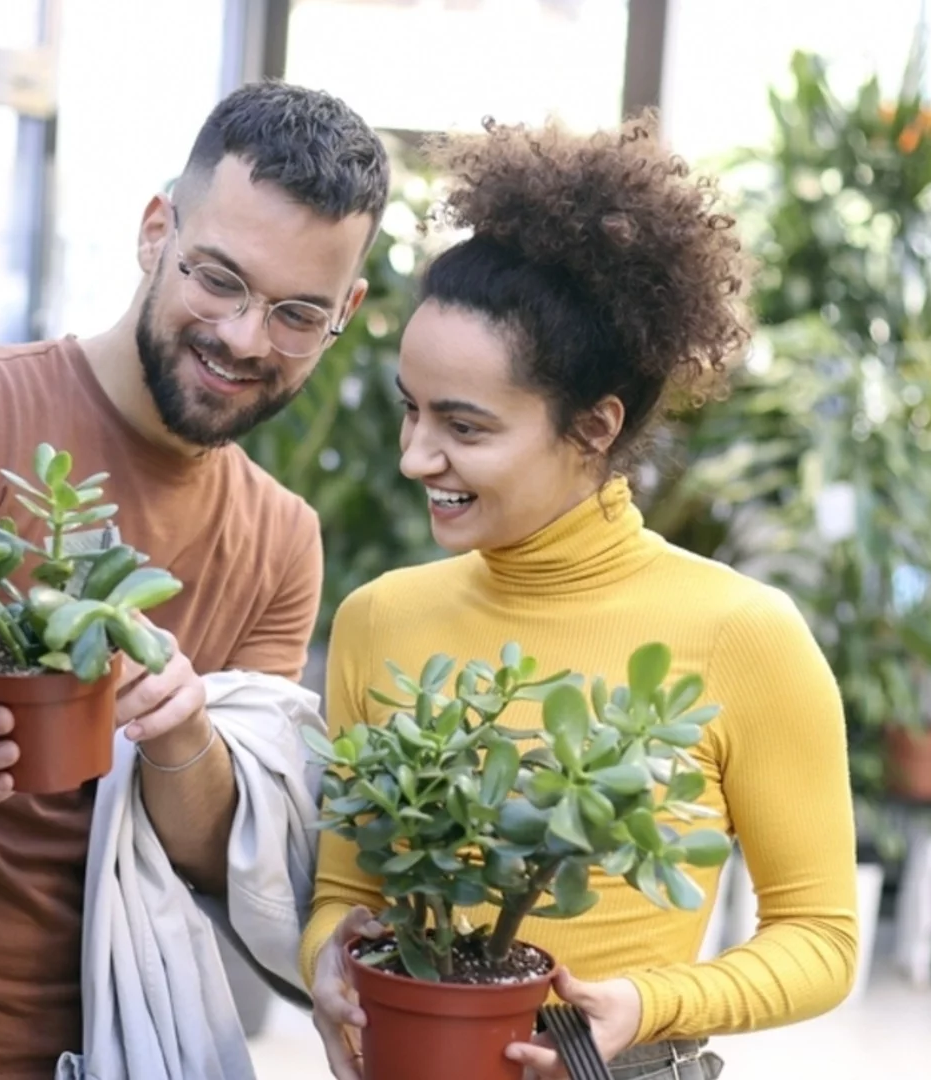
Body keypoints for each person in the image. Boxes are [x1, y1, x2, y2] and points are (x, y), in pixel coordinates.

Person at [0, 80, 389, 1080]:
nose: (243, 336)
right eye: (218, 278)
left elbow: (218, 861)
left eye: (295, 313)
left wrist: (185, 733)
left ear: (345, 313)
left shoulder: (282, 541)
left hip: (133, 1043)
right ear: (156, 231)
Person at [301, 115, 860, 1080]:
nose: (415, 457)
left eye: (465, 426)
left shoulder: (743, 636)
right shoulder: (380, 620)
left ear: (595, 425)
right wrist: (329, 965)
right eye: (410, 407)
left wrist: (649, 1004)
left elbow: (821, 938)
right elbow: (348, 888)